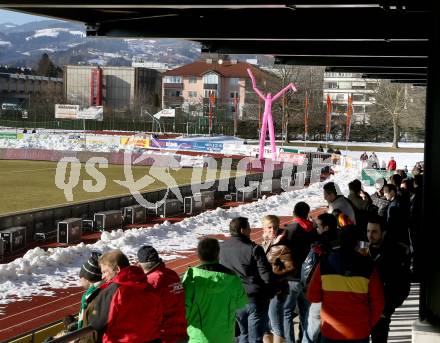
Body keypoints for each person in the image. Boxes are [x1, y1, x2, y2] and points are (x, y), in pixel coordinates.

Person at [307, 226, 384, 343]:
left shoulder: (325, 263)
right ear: (357, 243)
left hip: (331, 330)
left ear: (339, 240)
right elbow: (378, 303)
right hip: (359, 331)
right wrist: (367, 324)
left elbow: (312, 296)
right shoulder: (369, 266)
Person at [220, 217, 276, 343]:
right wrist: (270, 292)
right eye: (249, 227)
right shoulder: (254, 249)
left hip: (234, 298)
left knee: (243, 333)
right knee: (255, 338)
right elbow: (265, 274)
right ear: (242, 230)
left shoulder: (222, 248)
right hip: (254, 299)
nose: (251, 230)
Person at [89, 250, 163, 343]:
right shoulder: (147, 286)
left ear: (117, 269)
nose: (102, 277)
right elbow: (159, 316)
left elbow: (97, 323)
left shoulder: (113, 290)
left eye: (105, 272)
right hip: (152, 339)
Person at [183, 237, 248, 343]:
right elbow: (241, 303)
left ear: (198, 255)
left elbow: (184, 310)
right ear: (218, 253)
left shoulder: (191, 279)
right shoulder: (232, 278)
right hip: (225, 337)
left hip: (199, 338)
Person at [366, 216, 411, 343]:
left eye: (374, 231)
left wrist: (386, 309)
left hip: (381, 310)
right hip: (362, 307)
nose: (370, 235)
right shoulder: (365, 250)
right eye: (368, 231)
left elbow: (402, 287)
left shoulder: (395, 253)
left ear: (383, 233)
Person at [299, 213, 340, 343]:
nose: (316, 229)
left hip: (320, 292)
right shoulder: (344, 241)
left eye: (318, 226)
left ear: (326, 228)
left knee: (310, 329)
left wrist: (306, 288)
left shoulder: (319, 245)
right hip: (339, 292)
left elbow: (307, 270)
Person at [137, 246, 187, 343]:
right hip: (182, 331)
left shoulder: (150, 282)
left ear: (141, 265)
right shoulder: (172, 274)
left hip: (165, 336)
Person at [261, 215, 297, 343]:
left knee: (276, 324)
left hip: (277, 290)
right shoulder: (266, 243)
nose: (272, 230)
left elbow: (290, 268)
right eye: (269, 227)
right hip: (266, 290)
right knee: (265, 326)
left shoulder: (282, 245)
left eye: (275, 227)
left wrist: (273, 270)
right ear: (263, 228)